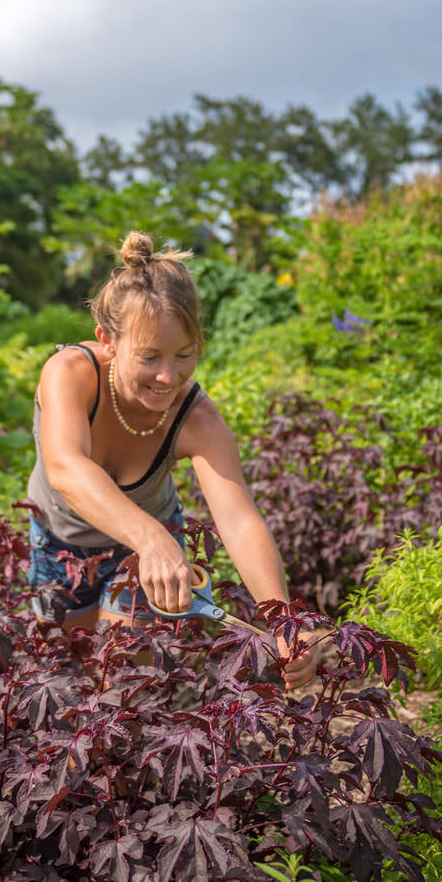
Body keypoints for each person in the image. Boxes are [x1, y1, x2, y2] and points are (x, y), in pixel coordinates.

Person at [27, 231, 319, 692]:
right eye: (150, 357)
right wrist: (153, 538)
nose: (168, 376)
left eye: (185, 355)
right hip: (60, 542)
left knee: (123, 681)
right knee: (65, 676)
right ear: (108, 340)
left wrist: (283, 619)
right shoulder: (70, 374)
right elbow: (66, 468)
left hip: (151, 550)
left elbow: (240, 520)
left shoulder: (196, 418)